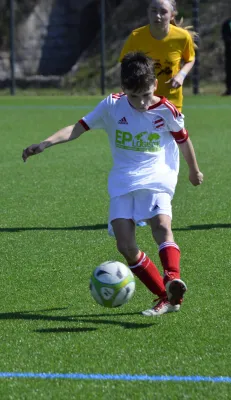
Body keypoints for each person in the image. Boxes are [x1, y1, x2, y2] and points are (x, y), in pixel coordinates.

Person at [22, 52, 203, 316]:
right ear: (123, 89)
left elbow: (183, 140)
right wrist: (45, 143)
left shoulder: (166, 110)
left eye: (145, 94)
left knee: (161, 226)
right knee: (125, 245)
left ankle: (172, 278)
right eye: (134, 96)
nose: (141, 102)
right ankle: (165, 297)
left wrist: (193, 171)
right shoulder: (112, 105)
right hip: (122, 180)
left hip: (157, 175)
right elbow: (78, 127)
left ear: (154, 84)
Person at [119, 0, 196, 113]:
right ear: (148, 12)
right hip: (142, 101)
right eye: (153, 11)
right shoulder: (136, 36)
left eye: (163, 12)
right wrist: (127, 88)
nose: (157, 16)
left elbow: (190, 59)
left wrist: (181, 75)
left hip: (171, 102)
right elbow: (124, 64)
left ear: (172, 15)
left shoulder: (182, 37)